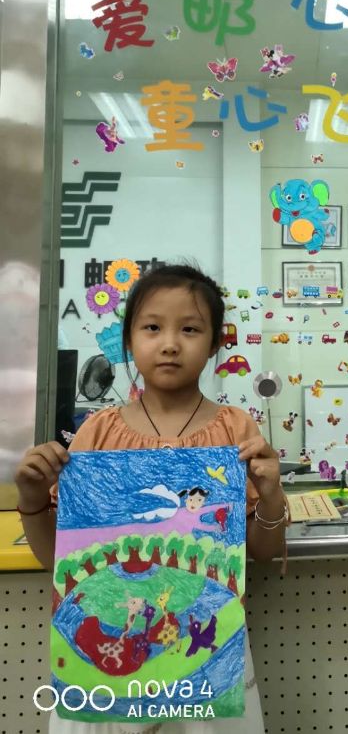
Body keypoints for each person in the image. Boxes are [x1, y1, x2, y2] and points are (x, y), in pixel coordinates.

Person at [14, 264, 287, 734]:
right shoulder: (96, 433)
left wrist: (271, 494)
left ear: (215, 344)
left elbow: (263, 553)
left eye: (190, 329)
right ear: (129, 339)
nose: (170, 344)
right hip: (106, 670)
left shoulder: (236, 430)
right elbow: (56, 559)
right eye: (152, 327)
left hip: (204, 662)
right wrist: (33, 497)